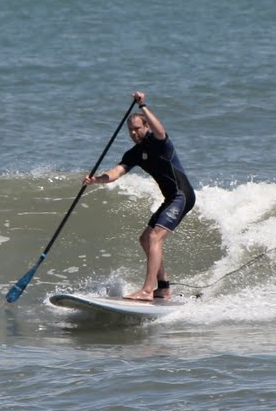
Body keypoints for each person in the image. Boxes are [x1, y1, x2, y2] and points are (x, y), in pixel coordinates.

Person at [83, 91, 195, 301]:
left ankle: (146, 290)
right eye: (131, 130)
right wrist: (96, 179)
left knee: (154, 238)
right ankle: (163, 288)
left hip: (182, 195)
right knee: (145, 239)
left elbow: (160, 130)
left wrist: (143, 106)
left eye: (138, 129)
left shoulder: (160, 143)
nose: (134, 133)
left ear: (146, 127)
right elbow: (116, 173)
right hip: (170, 198)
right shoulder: (134, 153)